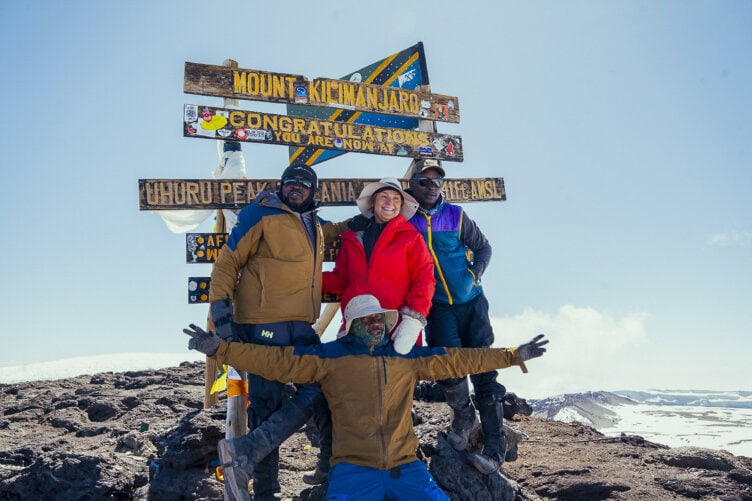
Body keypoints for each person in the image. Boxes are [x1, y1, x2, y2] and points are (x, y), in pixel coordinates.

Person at [183, 294, 549, 501]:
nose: (376, 323)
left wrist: (513, 354)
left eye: (380, 319)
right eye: (368, 319)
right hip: (353, 470)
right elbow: (275, 361)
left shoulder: (406, 358)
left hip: (407, 469)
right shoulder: (329, 358)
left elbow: (462, 359)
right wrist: (221, 349)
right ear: (354, 324)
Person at [208, 162, 349, 500]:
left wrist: (365, 220)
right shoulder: (260, 213)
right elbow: (227, 263)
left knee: (326, 389)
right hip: (263, 324)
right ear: (281, 185)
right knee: (266, 407)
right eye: (291, 181)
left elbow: (334, 231)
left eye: (304, 182)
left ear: (313, 191)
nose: (296, 186)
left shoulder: (312, 223)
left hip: (301, 326)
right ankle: (265, 493)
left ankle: (326, 469)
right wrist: (222, 316)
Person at [406, 158, 506, 474]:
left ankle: (495, 451)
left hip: (472, 303)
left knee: (484, 371)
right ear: (412, 185)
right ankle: (463, 417)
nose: (431, 187)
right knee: (448, 368)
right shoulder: (405, 220)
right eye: (424, 181)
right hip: (437, 306)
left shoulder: (456, 215)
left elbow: (484, 248)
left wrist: (474, 276)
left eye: (436, 182)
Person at [323, 177, 435, 353]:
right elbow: (340, 280)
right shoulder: (353, 238)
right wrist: (303, 279)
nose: (390, 202)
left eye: (396, 199)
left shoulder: (411, 237)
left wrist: (413, 320)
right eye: (384, 196)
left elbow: (425, 279)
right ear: (373, 202)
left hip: (397, 330)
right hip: (357, 327)